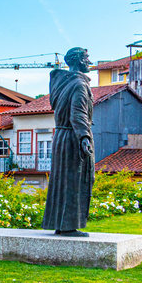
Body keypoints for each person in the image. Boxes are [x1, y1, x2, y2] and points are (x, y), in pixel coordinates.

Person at [42, 47, 94, 237]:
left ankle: (61, 224)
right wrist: (85, 137)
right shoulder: (79, 85)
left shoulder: (61, 83)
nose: (89, 61)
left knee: (62, 182)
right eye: (87, 58)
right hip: (73, 137)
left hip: (61, 137)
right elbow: (78, 114)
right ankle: (68, 227)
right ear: (78, 61)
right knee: (75, 181)